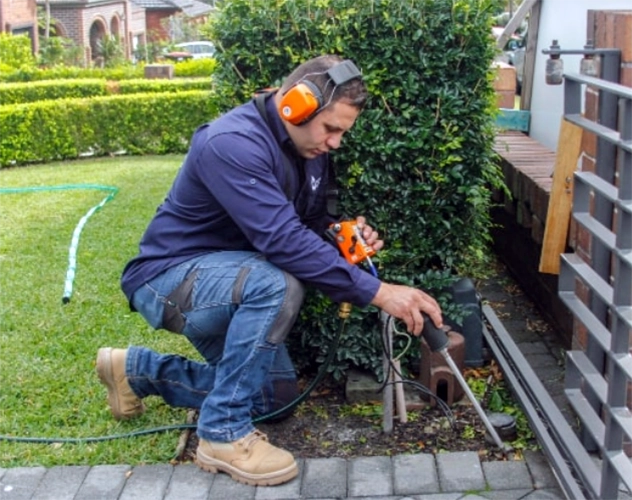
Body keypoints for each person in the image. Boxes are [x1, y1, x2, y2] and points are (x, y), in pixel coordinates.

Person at [96, 54, 442, 487]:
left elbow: (308, 224)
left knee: (270, 399)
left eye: (342, 133)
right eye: (330, 128)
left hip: (231, 282)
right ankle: (221, 433)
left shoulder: (310, 150)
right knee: (277, 282)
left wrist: (342, 235)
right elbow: (282, 241)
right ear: (294, 105)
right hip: (169, 279)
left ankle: (137, 372)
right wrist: (380, 292)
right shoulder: (231, 143)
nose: (335, 142)